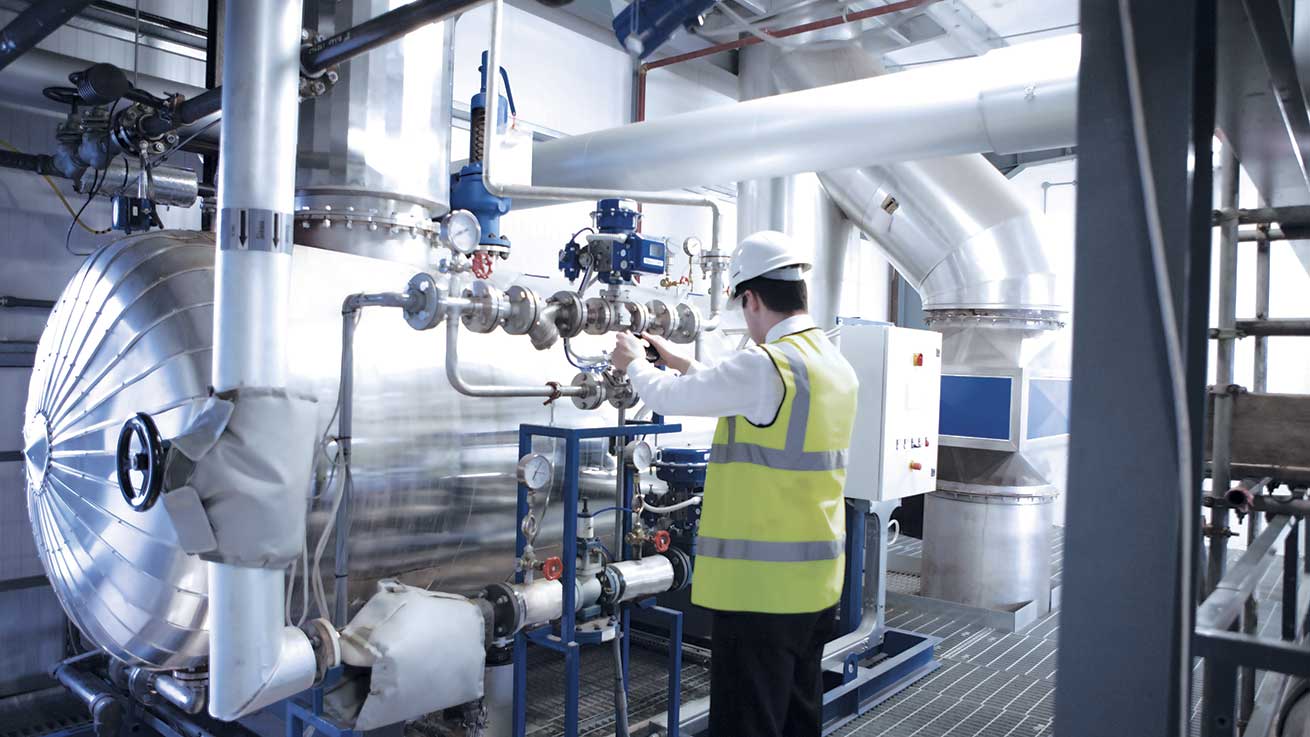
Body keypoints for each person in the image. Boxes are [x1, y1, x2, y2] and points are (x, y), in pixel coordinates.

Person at [610, 230, 859, 737]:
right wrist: (680, 361)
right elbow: (740, 390)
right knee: (794, 719)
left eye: (744, 309)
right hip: (814, 587)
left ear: (752, 298)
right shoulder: (828, 363)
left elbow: (678, 398)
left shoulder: (769, 366)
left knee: (747, 725)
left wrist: (632, 364)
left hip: (759, 596)